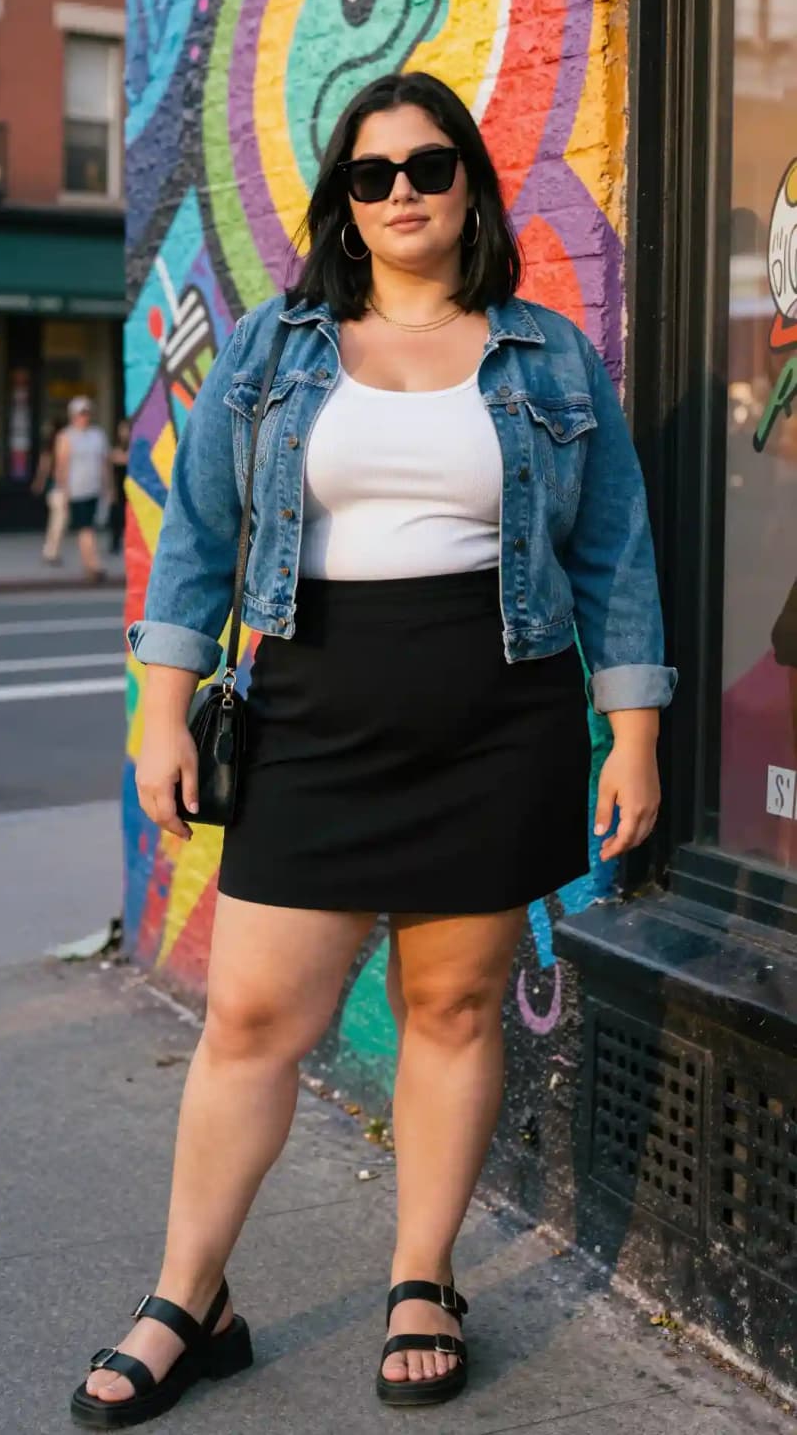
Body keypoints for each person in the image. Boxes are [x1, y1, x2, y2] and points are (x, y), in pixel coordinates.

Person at [71, 72, 677, 1426]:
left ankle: (423, 1279)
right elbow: (200, 539)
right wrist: (163, 712)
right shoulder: (277, 347)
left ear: (470, 185)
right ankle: (189, 1299)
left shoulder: (548, 355)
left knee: (450, 1010)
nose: (402, 191)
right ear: (344, 202)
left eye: (428, 166)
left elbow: (615, 554)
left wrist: (631, 733)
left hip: (497, 715)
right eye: (371, 173)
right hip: (311, 714)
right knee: (252, 1018)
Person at [55, 397, 109, 583]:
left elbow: (104, 463)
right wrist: (63, 491)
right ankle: (94, 564)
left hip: (94, 488)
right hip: (76, 489)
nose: (84, 418)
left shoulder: (97, 435)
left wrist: (108, 487)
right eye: (80, 414)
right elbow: (62, 466)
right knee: (86, 528)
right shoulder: (66, 437)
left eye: (86, 414)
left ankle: (89, 564)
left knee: (89, 528)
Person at [32, 419, 67, 565]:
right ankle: (51, 552)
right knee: (59, 521)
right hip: (58, 487)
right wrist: (40, 482)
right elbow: (44, 467)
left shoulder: (50, 448)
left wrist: (39, 482)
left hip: (56, 487)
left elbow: (43, 467)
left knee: (56, 520)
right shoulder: (55, 448)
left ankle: (50, 550)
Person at [108, 418, 130, 555]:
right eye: (122, 429)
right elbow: (111, 469)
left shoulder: (135, 447)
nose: (124, 432)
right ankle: (115, 542)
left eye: (126, 429)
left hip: (131, 489)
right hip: (118, 487)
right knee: (116, 516)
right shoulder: (115, 448)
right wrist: (111, 489)